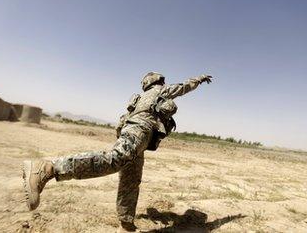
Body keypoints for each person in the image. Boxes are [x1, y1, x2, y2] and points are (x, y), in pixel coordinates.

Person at [22, 72, 212, 232]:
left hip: (136, 134)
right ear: (157, 82)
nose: (164, 83)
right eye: (162, 81)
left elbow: (121, 124)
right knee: (116, 159)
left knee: (131, 178)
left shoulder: (139, 100)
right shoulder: (160, 91)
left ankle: (126, 221)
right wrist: (199, 79)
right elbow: (184, 86)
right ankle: (49, 168)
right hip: (140, 131)